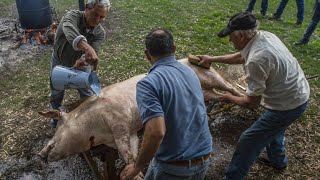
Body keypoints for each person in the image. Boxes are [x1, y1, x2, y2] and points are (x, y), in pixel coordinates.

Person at [198, 12, 310, 180]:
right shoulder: (264, 36)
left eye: (231, 36)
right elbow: (242, 56)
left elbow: (251, 103)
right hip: (296, 93)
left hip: (289, 104)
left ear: (241, 35)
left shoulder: (257, 60)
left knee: (248, 140)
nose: (230, 40)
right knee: (273, 129)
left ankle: (233, 177)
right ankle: (278, 161)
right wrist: (212, 58)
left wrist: (226, 97)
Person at [120, 29, 213, 180]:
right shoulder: (190, 72)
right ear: (174, 48)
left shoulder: (148, 84)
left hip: (174, 167)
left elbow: (156, 132)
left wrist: (137, 167)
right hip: (204, 157)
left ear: (146, 54)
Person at [50, 0, 110, 128]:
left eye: (102, 17)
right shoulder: (72, 16)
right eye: (95, 14)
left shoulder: (100, 32)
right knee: (56, 92)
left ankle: (88, 121)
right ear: (87, 8)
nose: (98, 19)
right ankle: (55, 120)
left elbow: (93, 52)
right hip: (59, 60)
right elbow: (70, 32)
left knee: (88, 94)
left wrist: (84, 60)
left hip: (80, 66)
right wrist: (88, 48)